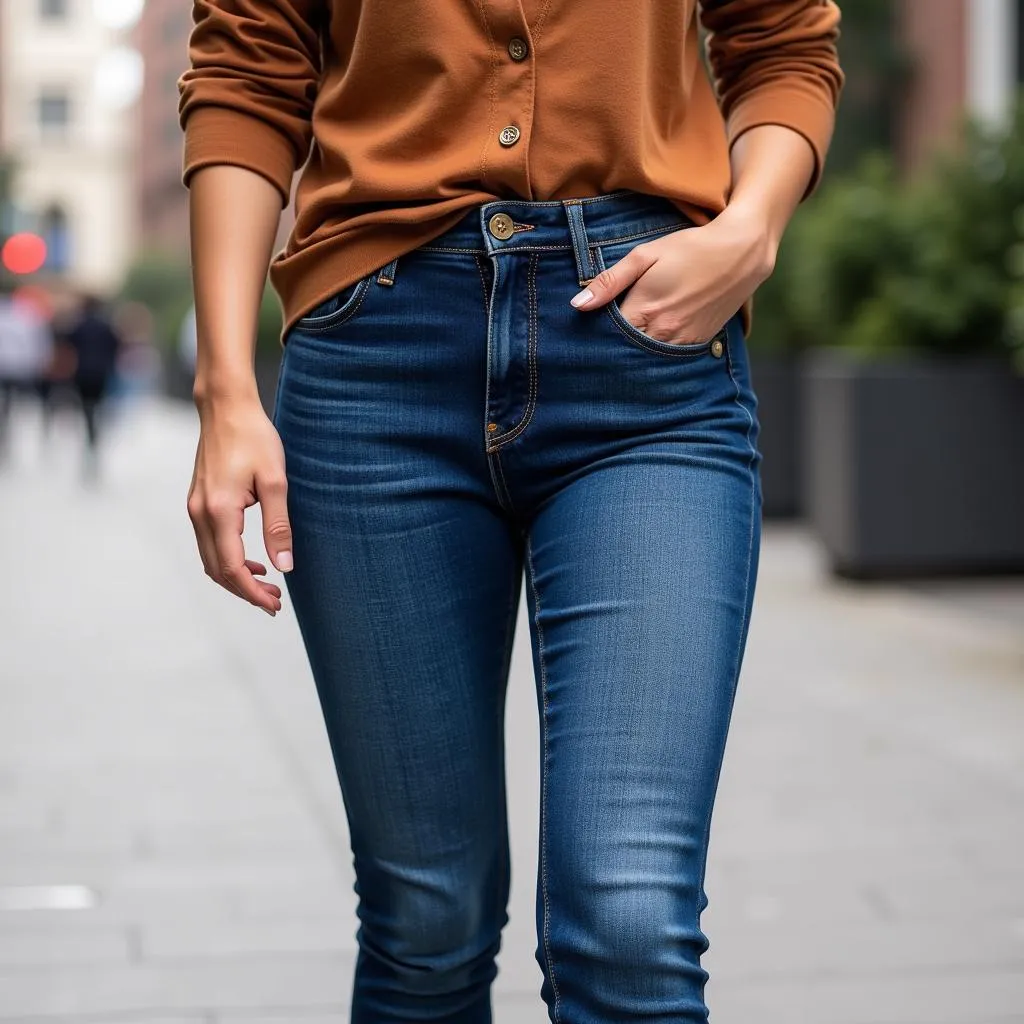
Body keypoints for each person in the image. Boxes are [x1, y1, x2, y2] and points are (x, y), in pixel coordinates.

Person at [179, 2, 843, 1020]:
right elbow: (246, 75)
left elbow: (783, 40)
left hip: (647, 356)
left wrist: (750, 229)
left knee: (628, 920)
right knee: (425, 921)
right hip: (376, 364)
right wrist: (226, 387)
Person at [64, 293, 122, 480]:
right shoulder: (107, 326)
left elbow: (68, 345)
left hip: (82, 373)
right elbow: (117, 346)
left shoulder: (79, 325)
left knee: (86, 407)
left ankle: (91, 433)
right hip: (102, 373)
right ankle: (94, 434)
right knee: (97, 405)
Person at [0, 284, 54, 465]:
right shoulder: (27, 314)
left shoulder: (26, 314)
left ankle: (6, 437)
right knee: (13, 406)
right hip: (20, 367)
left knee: (9, 407)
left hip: (11, 367)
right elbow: (39, 343)